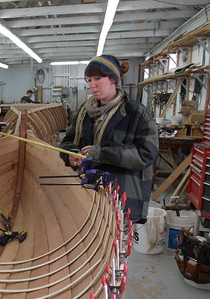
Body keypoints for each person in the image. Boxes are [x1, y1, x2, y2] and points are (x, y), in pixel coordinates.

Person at [59, 55, 159, 223]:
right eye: (89, 79)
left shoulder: (136, 113)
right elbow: (68, 140)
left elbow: (146, 154)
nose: (92, 85)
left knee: (116, 245)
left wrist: (102, 153)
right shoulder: (84, 112)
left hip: (122, 195)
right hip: (89, 190)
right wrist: (70, 153)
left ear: (113, 78)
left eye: (98, 78)